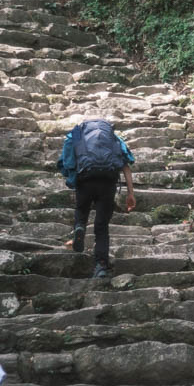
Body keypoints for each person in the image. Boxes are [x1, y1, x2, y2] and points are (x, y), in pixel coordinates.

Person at [58, 116, 136, 278]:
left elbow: (66, 159)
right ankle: (101, 266)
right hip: (107, 181)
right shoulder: (113, 138)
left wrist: (71, 177)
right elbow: (126, 164)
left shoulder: (77, 133)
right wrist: (130, 193)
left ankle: (80, 226)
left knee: (81, 209)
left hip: (85, 179)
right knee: (101, 227)